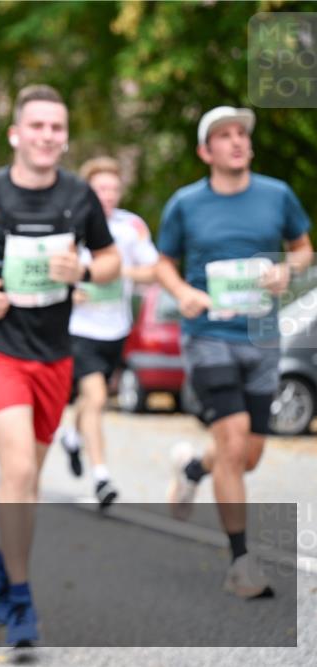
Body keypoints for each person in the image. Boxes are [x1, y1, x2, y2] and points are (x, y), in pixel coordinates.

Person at [0, 85, 120, 647]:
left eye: (57, 127)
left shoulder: (80, 196)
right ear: (16, 134)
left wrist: (80, 269)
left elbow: (110, 261)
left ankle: (2, 568)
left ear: (66, 136)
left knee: (28, 482)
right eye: (38, 126)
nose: (48, 136)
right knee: (20, 472)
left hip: (55, 356)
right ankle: (23, 603)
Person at [157, 106, 312, 598]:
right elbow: (163, 262)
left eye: (242, 133)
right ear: (206, 151)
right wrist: (182, 292)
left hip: (264, 337)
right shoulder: (185, 204)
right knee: (233, 440)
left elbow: (303, 247)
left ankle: (192, 469)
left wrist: (289, 269)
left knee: (247, 455)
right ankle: (242, 563)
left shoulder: (277, 195)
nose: (237, 141)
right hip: (208, 335)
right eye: (224, 135)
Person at [59, 157, 159, 507]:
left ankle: (72, 435)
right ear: (89, 190)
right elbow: (53, 272)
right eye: (101, 189)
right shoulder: (72, 221)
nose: (109, 195)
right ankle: (101, 477)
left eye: (114, 189)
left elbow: (154, 271)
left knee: (91, 400)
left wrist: (117, 270)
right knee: (98, 398)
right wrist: (72, 290)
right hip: (80, 329)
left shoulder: (132, 226)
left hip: (115, 330)